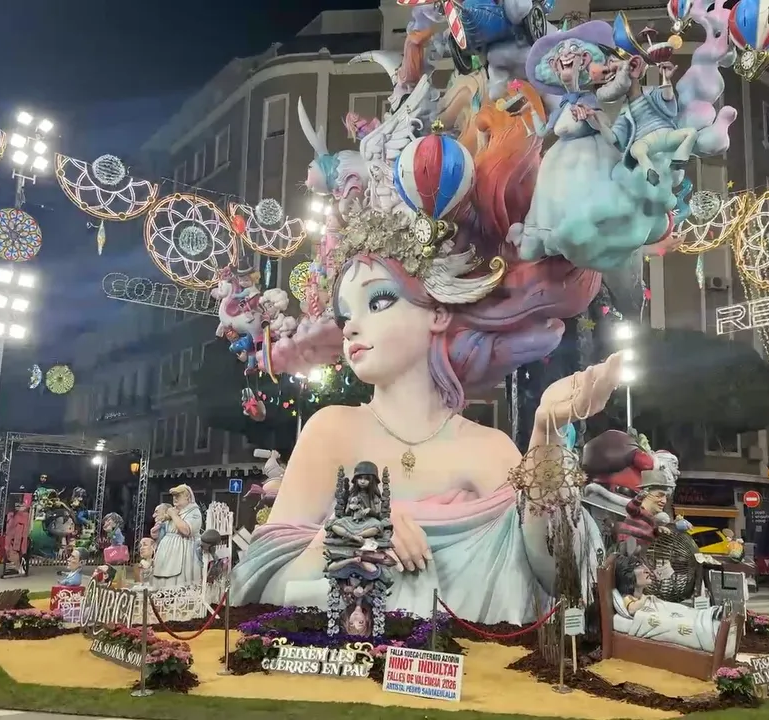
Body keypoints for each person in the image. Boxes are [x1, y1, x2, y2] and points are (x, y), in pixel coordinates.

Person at [228, 97, 622, 624]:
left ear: (438, 312)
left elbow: (559, 576)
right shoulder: (331, 431)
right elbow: (257, 585)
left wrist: (546, 432)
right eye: (346, 313)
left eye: (379, 301)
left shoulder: (490, 449)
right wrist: (351, 536)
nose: (353, 327)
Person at [151, 486, 204, 588]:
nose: (175, 498)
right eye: (174, 496)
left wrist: (173, 515)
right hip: (167, 552)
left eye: (178, 496)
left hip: (183, 549)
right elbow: (164, 529)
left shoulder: (193, 512)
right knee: (162, 580)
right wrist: (158, 530)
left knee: (179, 581)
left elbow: (186, 530)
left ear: (187, 497)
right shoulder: (173, 511)